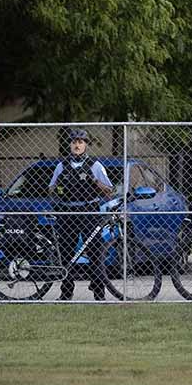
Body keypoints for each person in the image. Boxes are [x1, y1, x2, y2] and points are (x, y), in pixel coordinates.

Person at [48, 129, 114, 301]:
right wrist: (60, 191)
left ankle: (99, 293)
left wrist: (93, 180)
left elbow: (109, 192)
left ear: (86, 145)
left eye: (81, 142)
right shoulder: (61, 166)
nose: (77, 145)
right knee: (66, 253)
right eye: (74, 142)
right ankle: (66, 292)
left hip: (88, 212)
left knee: (95, 252)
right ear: (70, 145)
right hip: (67, 213)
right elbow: (51, 189)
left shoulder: (95, 166)